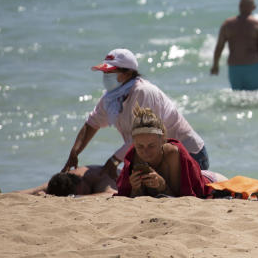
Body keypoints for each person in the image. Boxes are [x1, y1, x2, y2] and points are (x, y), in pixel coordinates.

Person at [62, 48, 209, 179]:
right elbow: (92, 124)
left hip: (190, 155)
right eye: (105, 73)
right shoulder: (110, 98)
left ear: (128, 73)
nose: (106, 76)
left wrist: (114, 161)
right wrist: (74, 153)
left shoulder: (143, 91)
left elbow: (144, 134)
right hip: (155, 155)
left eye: (111, 72)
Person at [115, 105, 209, 198]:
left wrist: (162, 185)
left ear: (163, 140)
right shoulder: (134, 155)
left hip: (207, 179)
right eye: (140, 146)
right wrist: (135, 188)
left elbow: (180, 197)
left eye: (151, 146)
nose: (145, 151)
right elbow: (129, 196)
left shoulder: (172, 154)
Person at [211, 0, 258, 94]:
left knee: (239, 101)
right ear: (253, 7)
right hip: (254, 67)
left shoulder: (227, 25)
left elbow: (219, 46)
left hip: (234, 69)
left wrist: (215, 65)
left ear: (239, 6)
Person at [17, 165, 118, 196]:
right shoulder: (62, 180)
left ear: (80, 183)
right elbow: (28, 192)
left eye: (82, 192)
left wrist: (78, 197)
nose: (84, 193)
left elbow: (112, 194)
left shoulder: (100, 178)